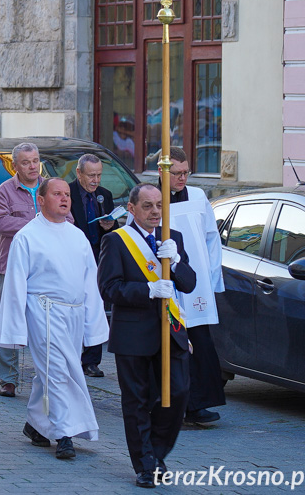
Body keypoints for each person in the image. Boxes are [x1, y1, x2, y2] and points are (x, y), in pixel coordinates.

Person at [0, 178, 109, 459]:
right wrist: (14, 328)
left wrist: (93, 323)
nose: (64, 199)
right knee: (57, 371)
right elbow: (15, 284)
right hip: (43, 312)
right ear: (41, 200)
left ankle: (36, 424)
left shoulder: (77, 235)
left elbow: (89, 281)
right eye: (57, 194)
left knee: (54, 370)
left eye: (67, 194)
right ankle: (63, 434)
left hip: (73, 313)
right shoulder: (27, 236)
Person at [98, 183, 196, 488]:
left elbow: (190, 283)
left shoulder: (172, 238)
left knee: (177, 393)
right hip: (134, 334)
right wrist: (148, 290)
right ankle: (145, 465)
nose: (155, 212)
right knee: (137, 401)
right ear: (132, 209)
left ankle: (155, 452)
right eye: (148, 206)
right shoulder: (116, 241)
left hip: (171, 330)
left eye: (159, 205)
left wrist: (177, 263)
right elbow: (109, 288)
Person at [162, 147, 226, 426]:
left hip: (196, 284)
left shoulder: (198, 197)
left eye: (186, 172)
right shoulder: (151, 199)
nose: (183, 178)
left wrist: (212, 277)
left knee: (200, 344)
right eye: (177, 173)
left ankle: (199, 404)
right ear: (163, 173)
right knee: (172, 347)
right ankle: (172, 406)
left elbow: (212, 239)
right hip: (168, 284)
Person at [0, 142, 45, 398]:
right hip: (11, 267)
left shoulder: (51, 188)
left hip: (45, 269)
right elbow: (2, 223)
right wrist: (38, 223)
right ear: (15, 165)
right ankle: (8, 379)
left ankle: (45, 373)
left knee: (43, 322)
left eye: (35, 160)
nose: (32, 166)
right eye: (26, 162)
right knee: (9, 320)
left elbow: (67, 219)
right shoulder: (4, 191)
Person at [68, 153, 118, 378]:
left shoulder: (104, 195)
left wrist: (110, 225)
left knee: (95, 309)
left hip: (98, 258)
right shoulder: (66, 193)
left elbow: (113, 228)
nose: (96, 180)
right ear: (79, 173)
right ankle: (69, 355)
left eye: (99, 175)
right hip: (72, 257)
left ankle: (91, 361)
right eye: (91, 175)